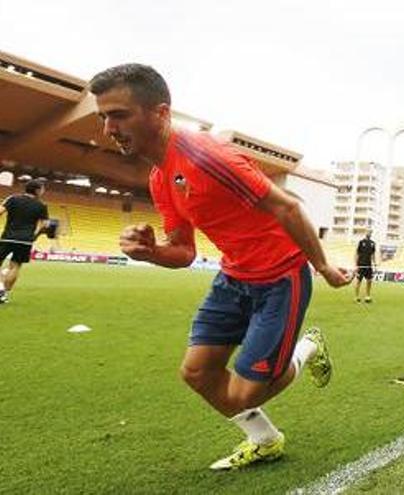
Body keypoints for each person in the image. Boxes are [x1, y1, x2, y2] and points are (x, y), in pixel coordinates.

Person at [89, 63, 352, 470]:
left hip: (280, 277)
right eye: (102, 116)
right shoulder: (161, 178)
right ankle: (265, 440)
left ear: (160, 113)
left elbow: (286, 206)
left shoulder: (208, 157)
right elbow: (184, 250)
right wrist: (151, 252)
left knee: (245, 394)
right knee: (197, 374)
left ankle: (308, 347)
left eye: (119, 114)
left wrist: (324, 267)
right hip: (233, 278)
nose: (108, 127)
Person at [0, 179, 49, 304]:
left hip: (8, 236)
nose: (43, 191)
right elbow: (44, 224)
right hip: (26, 240)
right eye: (43, 189)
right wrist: (34, 234)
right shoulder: (42, 205)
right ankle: (3, 293)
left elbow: (0, 211)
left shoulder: (13, 199)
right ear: (37, 190)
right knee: (15, 266)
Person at [354, 230, 377, 303]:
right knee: (358, 281)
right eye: (368, 232)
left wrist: (375, 264)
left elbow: (373, 255)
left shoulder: (373, 243)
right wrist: (356, 265)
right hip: (361, 265)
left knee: (369, 281)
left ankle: (367, 296)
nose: (369, 233)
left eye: (370, 232)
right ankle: (356, 297)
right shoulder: (361, 242)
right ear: (365, 233)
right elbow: (357, 253)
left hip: (368, 265)